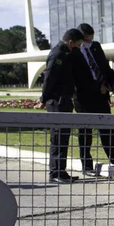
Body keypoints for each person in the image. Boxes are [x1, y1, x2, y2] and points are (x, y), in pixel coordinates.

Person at [73, 23, 114, 176]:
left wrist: (113, 83)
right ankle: (87, 166)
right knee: (86, 133)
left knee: (108, 129)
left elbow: (104, 67)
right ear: (80, 38)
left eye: (91, 39)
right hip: (84, 97)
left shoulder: (96, 47)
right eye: (87, 40)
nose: (90, 42)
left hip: (101, 96)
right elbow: (79, 78)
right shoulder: (74, 52)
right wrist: (97, 87)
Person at [40, 28, 84, 184]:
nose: (77, 48)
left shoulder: (65, 54)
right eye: (76, 45)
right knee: (58, 137)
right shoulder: (58, 54)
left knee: (64, 137)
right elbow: (49, 77)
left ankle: (61, 171)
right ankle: (55, 173)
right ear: (70, 42)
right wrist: (43, 98)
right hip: (56, 101)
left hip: (64, 100)